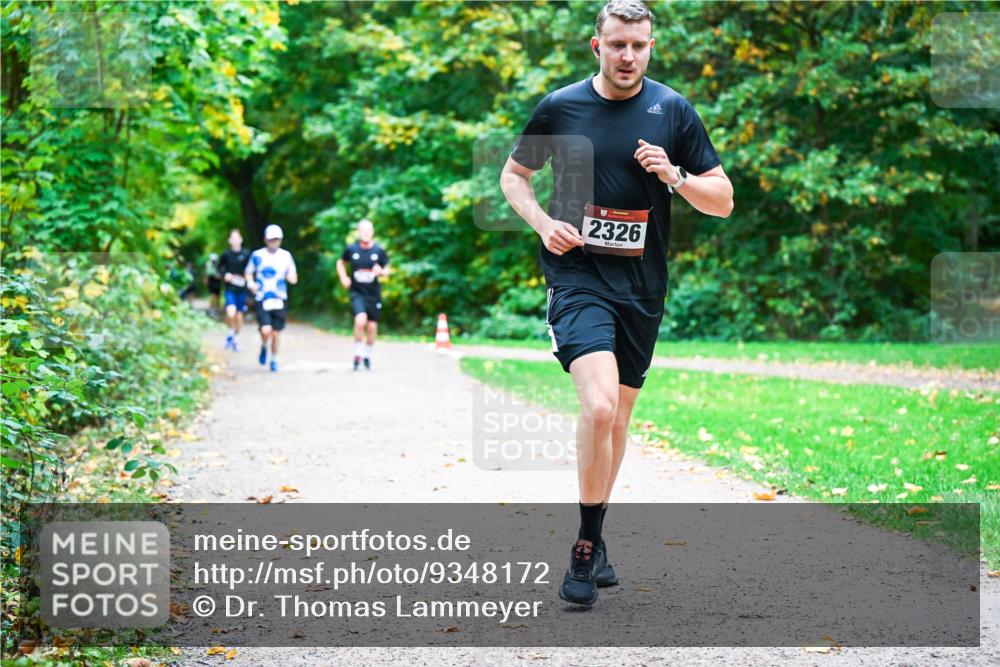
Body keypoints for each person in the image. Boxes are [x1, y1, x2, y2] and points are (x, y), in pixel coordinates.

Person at [500, 0, 733, 607]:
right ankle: (583, 545)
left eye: (639, 45)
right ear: (595, 47)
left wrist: (676, 177)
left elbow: (724, 199)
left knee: (620, 418)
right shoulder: (561, 106)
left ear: (650, 47)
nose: (628, 55)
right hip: (576, 275)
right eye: (617, 44)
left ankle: (597, 534)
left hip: (642, 289)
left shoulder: (672, 110)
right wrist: (542, 222)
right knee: (599, 408)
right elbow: (513, 176)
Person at [336, 219, 390, 371]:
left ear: (372, 232)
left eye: (368, 230)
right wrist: (343, 277)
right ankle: (358, 352)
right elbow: (340, 262)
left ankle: (368, 355)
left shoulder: (378, 251)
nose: (366, 233)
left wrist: (382, 271)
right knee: (360, 320)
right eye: (363, 230)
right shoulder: (352, 249)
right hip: (357, 292)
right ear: (359, 232)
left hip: (373, 294)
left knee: (372, 327)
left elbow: (387, 269)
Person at [245, 224, 298, 372]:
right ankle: (263, 346)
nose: (274, 242)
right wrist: (251, 283)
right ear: (266, 240)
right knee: (266, 330)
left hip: (279, 298)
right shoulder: (257, 255)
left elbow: (293, 275)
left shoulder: (286, 256)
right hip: (262, 297)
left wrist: (291, 278)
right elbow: (248, 272)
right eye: (271, 239)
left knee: (276, 332)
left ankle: (273, 359)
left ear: (280, 240)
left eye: (276, 239)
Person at [218, 229, 251, 351]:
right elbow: (219, 269)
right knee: (230, 312)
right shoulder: (226, 255)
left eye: (237, 237)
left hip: (242, 289)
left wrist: (247, 279)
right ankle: (231, 333)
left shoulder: (247, 254)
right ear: (229, 240)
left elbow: (251, 270)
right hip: (230, 288)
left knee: (239, 315)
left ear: (241, 239)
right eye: (233, 238)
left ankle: (235, 338)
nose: (235, 240)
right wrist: (225, 275)